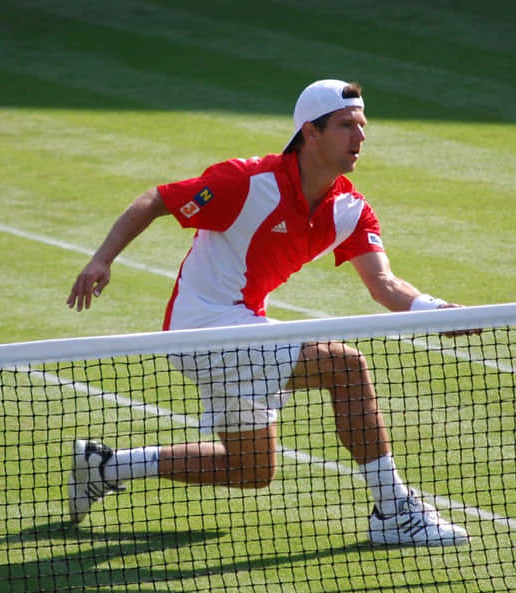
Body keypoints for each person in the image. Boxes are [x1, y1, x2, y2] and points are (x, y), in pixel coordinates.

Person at [66, 79, 470, 547]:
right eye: (346, 126)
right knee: (345, 367)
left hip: (242, 330)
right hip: (202, 328)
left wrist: (437, 311)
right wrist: (102, 259)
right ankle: (393, 511)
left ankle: (105, 466)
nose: (359, 137)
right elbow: (158, 199)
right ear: (310, 133)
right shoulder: (246, 182)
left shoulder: (352, 211)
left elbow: (385, 286)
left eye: (362, 125)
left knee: (251, 470)